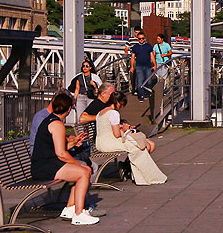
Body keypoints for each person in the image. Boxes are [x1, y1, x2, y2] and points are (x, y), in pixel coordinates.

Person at [30, 91, 99, 225]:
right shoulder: (57, 124)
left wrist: (73, 142)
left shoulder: (50, 120)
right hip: (45, 167)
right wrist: (77, 165)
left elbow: (59, 147)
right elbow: (61, 153)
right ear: (68, 109)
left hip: (44, 164)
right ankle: (79, 214)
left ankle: (70, 209)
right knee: (83, 172)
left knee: (83, 170)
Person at [95, 92, 167, 185]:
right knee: (138, 148)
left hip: (100, 142)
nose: (121, 107)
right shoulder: (113, 113)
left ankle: (140, 176)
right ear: (117, 102)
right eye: (121, 105)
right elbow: (117, 134)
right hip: (109, 143)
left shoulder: (100, 113)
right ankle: (148, 177)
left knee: (136, 147)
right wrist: (125, 129)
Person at [129, 31, 156, 101]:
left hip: (148, 65)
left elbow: (152, 56)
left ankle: (146, 93)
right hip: (139, 66)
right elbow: (132, 57)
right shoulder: (135, 47)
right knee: (140, 81)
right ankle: (141, 95)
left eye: (142, 38)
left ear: (144, 38)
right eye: (140, 38)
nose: (141, 40)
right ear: (137, 39)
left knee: (148, 81)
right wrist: (132, 67)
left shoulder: (148, 46)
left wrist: (155, 64)